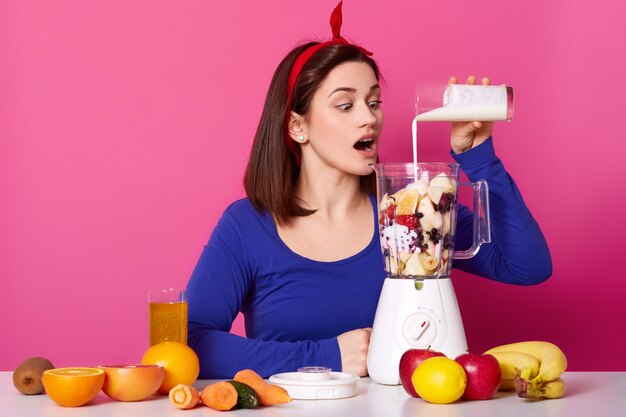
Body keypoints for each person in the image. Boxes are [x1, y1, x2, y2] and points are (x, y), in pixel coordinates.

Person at [186, 1, 551, 379]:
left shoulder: (412, 214)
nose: (369, 118)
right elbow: (190, 343)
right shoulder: (247, 226)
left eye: (374, 102)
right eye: (345, 105)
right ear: (298, 127)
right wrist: (328, 355)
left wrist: (476, 156)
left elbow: (526, 266)